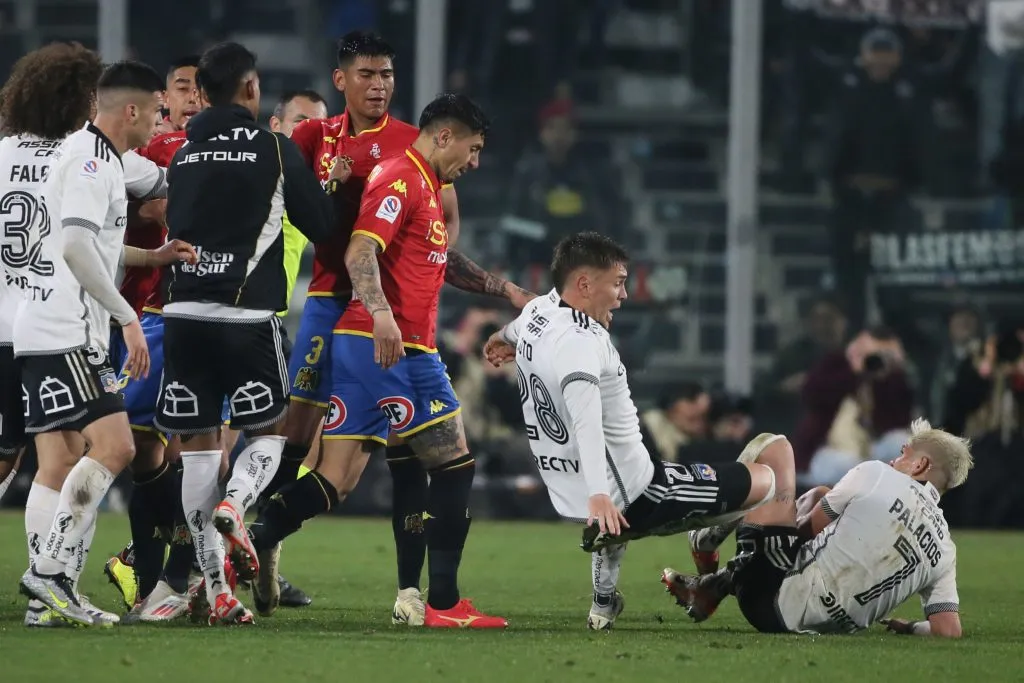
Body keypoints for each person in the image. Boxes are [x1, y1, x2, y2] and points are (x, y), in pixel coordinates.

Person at [248, 31, 533, 623]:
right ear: (446, 136)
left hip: (365, 345)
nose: (474, 164)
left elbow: (439, 259)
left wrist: (504, 291)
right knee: (455, 464)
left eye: (387, 75)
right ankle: (446, 602)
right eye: (473, 150)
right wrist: (381, 314)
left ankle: (251, 538)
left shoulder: (423, 184)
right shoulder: (401, 177)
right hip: (394, 346)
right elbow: (358, 252)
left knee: (335, 476)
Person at [483, 232, 788, 630]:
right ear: (585, 285)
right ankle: (708, 546)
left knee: (613, 512)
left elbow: (516, 330)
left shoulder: (540, 311)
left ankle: (603, 604)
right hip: (640, 490)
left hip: (566, 487)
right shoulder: (581, 343)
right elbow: (586, 420)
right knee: (768, 479)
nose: (624, 295)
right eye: (618, 283)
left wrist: (500, 339)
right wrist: (598, 498)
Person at [154, 42, 334, 625]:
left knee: (198, 455)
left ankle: (217, 591)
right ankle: (239, 502)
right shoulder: (276, 150)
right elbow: (324, 226)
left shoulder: (183, 154)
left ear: (201, 94)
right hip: (246, 319)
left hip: (181, 318)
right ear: (252, 90)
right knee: (271, 431)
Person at [14, 59, 196, 628]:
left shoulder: (101, 158)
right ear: (133, 110)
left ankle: (54, 588)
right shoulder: (92, 161)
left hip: (55, 328)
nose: (160, 125)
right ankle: (51, 573)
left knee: (70, 458)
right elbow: (72, 248)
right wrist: (127, 318)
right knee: (116, 447)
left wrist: (154, 257)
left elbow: (96, 248)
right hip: (64, 329)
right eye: (157, 112)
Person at [663, 419, 970, 639]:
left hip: (768, 599)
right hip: (834, 628)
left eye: (904, 452)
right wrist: (911, 627)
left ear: (920, 465)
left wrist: (801, 503)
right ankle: (714, 585)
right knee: (820, 497)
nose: (895, 458)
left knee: (772, 447)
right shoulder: (945, 549)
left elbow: (806, 531)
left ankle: (706, 540)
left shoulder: (877, 474)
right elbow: (948, 629)